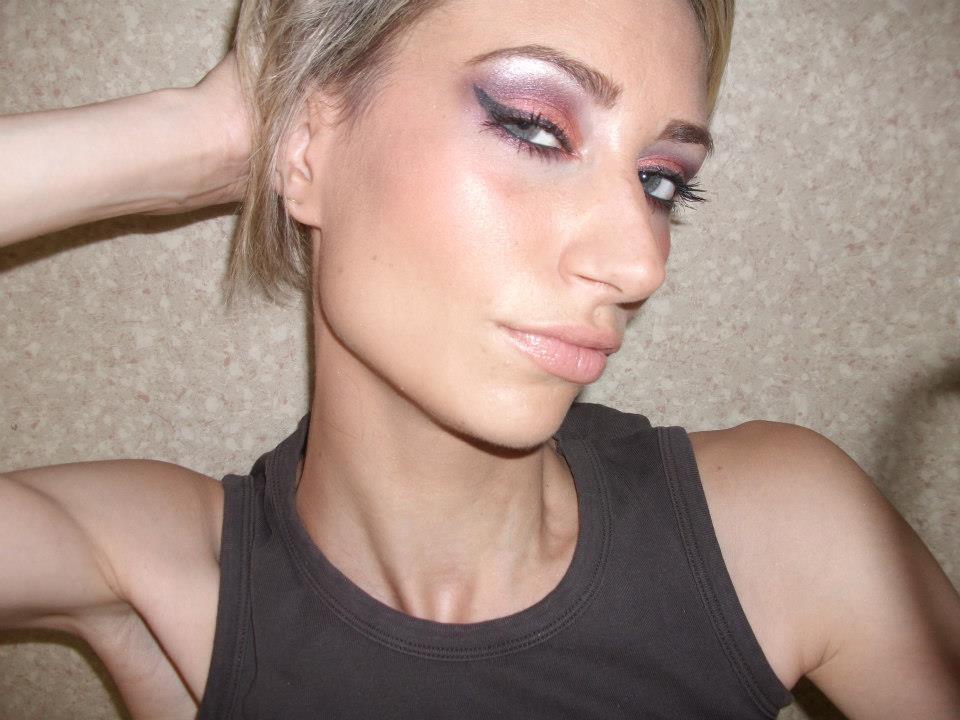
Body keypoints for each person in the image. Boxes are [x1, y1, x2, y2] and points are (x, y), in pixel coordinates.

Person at [1, 0, 959, 718]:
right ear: (306, 139)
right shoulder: (169, 575)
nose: (639, 263)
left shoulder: (784, 535)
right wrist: (201, 136)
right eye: (535, 126)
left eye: (661, 181)